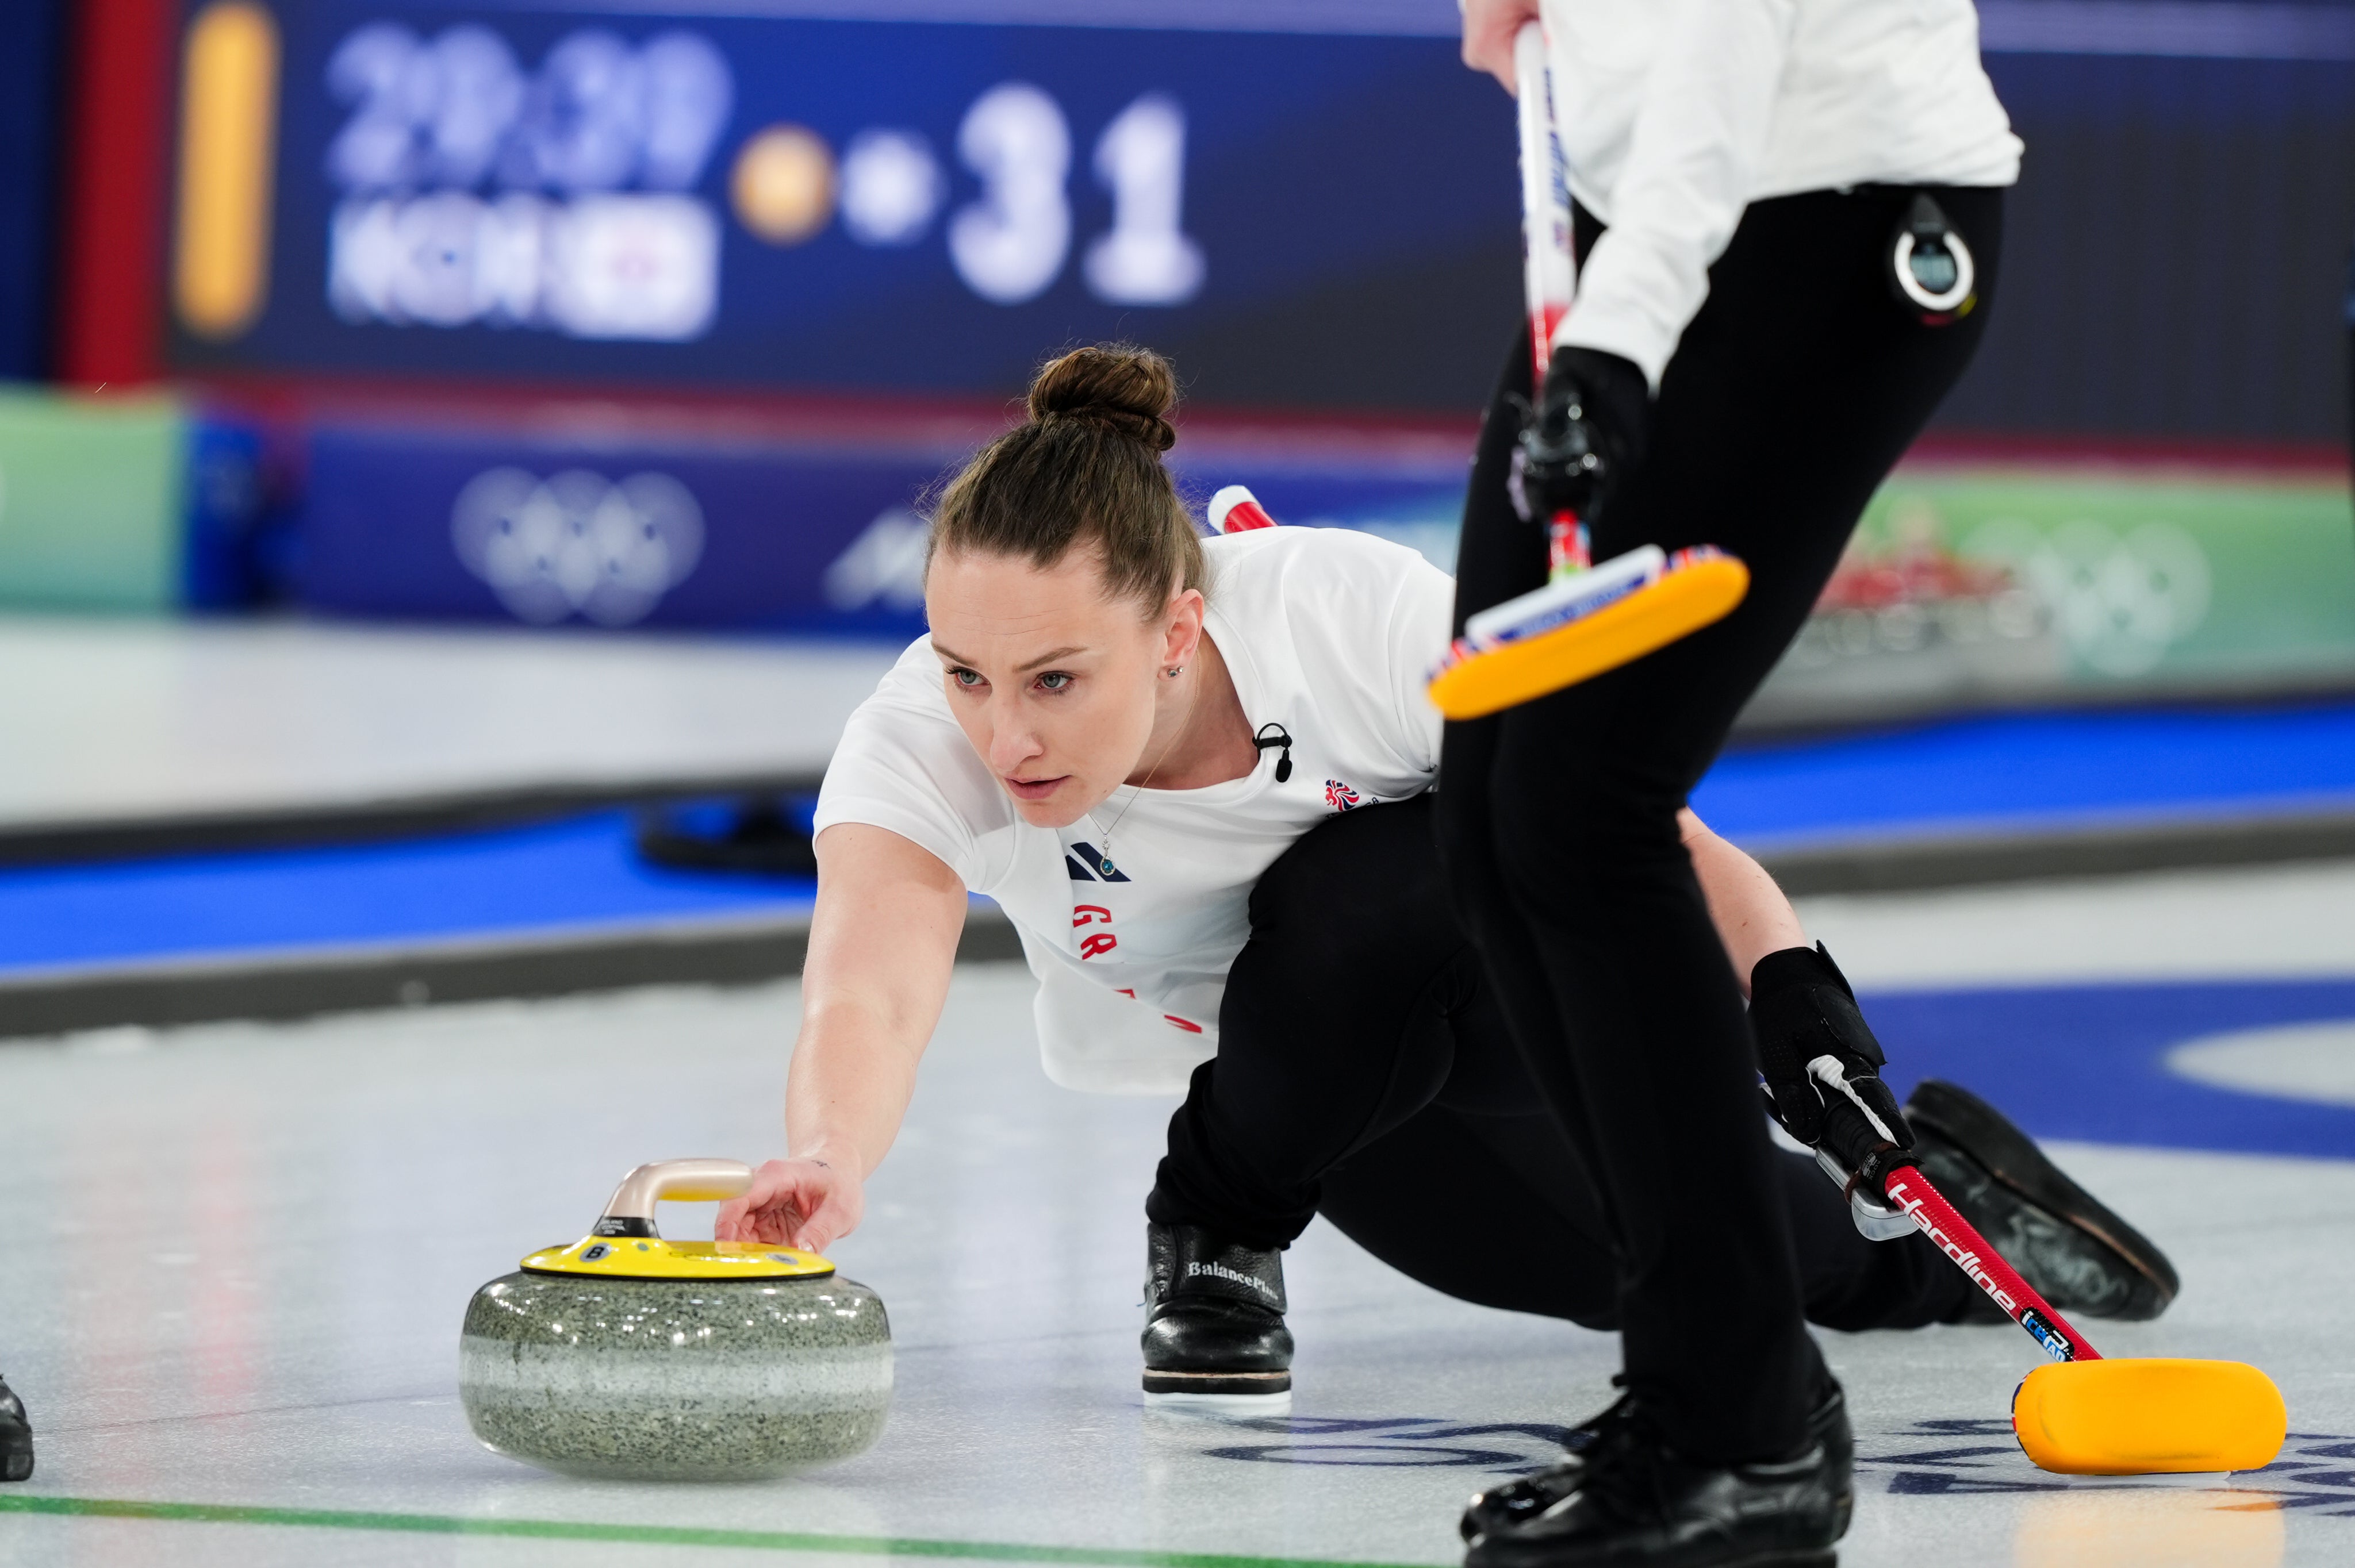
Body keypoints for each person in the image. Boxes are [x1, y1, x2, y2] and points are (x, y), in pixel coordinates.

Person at [714, 345, 2173, 1425]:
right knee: (1641, 1265)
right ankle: (1921, 1226)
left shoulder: (1356, 620)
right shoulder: (926, 743)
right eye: (966, 672)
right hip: (1301, 1094)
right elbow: (871, 980)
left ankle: (1213, 1232)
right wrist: (830, 1151)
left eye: (1052, 678)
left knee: (1381, 886)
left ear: (1173, 627)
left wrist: (1802, 1020)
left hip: (1488, 968)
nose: (1003, 731)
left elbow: (1639, 833)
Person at [1435, 0, 2030, 1559]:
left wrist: (1615, 353)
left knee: (1583, 805)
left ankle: (1741, 1423)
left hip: (1828, 224)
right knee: (1493, 806)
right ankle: (1713, 1368)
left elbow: (1712, 65)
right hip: (1656, 213)